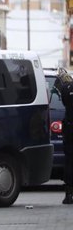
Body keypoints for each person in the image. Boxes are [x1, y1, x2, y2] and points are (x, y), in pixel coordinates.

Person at [54, 68, 73, 204]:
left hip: (70, 128)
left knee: (69, 162)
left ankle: (68, 194)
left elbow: (65, 102)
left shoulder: (66, 88)